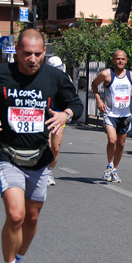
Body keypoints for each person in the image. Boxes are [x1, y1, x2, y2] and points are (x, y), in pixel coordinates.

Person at [0, 29, 83, 263]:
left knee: (32, 218)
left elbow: (76, 104)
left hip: (39, 157)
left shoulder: (54, 77)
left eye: (38, 54)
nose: (33, 59)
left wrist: (64, 114)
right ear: (17, 51)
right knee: (16, 215)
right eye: (27, 54)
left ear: (44, 52)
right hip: (7, 153)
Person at [91, 50, 132, 182]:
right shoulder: (106, 74)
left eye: (123, 59)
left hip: (125, 115)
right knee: (112, 140)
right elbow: (94, 85)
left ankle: (114, 169)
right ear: (113, 60)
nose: (120, 61)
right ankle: (109, 164)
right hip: (110, 114)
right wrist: (99, 100)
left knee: (121, 144)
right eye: (118, 59)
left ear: (126, 60)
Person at [47, 56, 73, 186]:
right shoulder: (42, 77)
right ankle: (39, 171)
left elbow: (71, 98)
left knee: (55, 147)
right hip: (43, 114)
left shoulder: (66, 78)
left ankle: (49, 172)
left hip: (58, 115)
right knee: (44, 144)